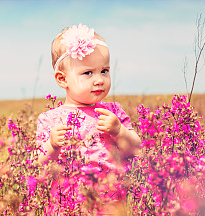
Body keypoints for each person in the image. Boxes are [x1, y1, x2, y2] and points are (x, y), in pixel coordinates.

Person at [36, 24, 140, 171]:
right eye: (88, 73)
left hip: (111, 190)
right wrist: (51, 145)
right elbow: (37, 164)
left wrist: (119, 131)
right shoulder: (51, 119)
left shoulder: (113, 111)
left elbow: (136, 148)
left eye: (104, 71)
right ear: (62, 79)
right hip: (70, 192)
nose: (99, 80)